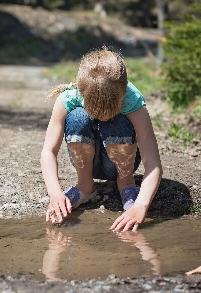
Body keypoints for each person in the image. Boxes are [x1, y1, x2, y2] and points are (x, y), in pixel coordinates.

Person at [40, 48, 162, 232]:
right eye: (96, 110)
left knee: (118, 121)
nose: (103, 116)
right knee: (78, 118)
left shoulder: (132, 100)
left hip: (121, 165)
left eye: (110, 109)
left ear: (122, 95)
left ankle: (126, 184)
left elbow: (152, 163)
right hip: (89, 161)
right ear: (82, 93)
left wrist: (141, 206)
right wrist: (55, 193)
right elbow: (48, 151)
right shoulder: (70, 97)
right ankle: (85, 185)